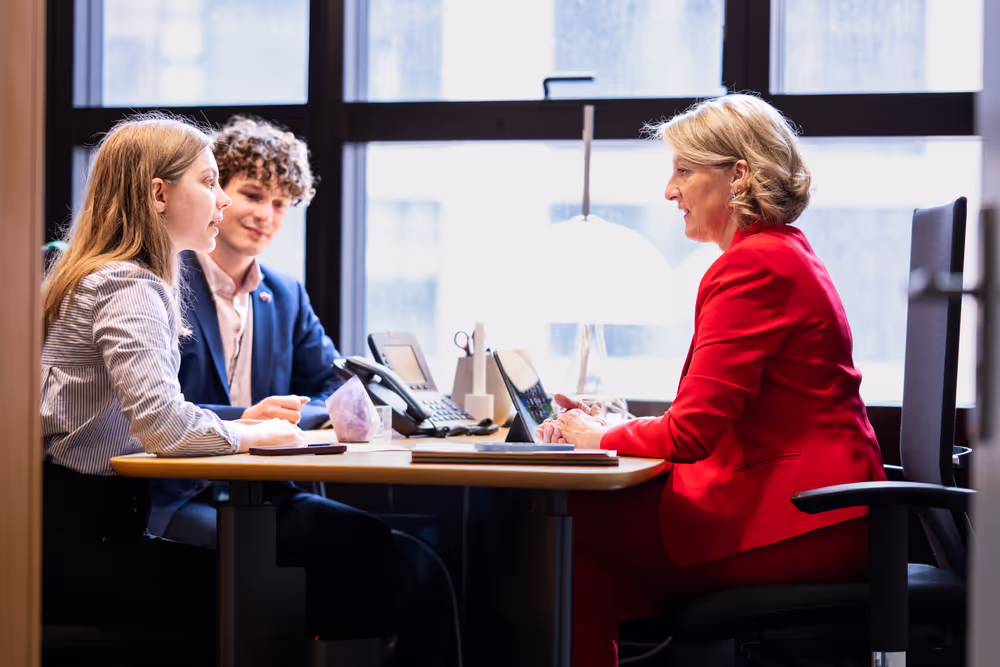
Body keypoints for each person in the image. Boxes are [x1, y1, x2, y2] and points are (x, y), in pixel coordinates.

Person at [535, 94, 887, 667]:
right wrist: (617, 427)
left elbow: (690, 434)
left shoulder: (754, 266)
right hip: (824, 514)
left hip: (804, 523)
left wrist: (600, 437)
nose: (668, 191)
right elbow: (712, 417)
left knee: (558, 544)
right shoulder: (783, 254)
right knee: (577, 556)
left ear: (738, 175)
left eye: (683, 171)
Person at [41, 114, 394, 650]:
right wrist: (255, 432)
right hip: (99, 532)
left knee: (297, 572)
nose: (224, 202)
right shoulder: (129, 284)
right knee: (254, 595)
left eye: (281, 204)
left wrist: (253, 424)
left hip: (78, 522)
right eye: (211, 183)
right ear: (159, 194)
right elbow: (165, 426)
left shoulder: (106, 275)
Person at [147, 116, 343, 547]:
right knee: (256, 554)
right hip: (176, 491)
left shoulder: (286, 295)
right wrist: (249, 418)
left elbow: (335, 384)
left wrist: (291, 416)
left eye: (280, 204)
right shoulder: (159, 283)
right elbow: (155, 411)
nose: (265, 215)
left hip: (265, 487)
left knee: (367, 539)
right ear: (216, 192)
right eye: (253, 195)